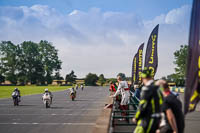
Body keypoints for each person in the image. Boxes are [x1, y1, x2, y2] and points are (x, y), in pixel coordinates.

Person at [133, 68, 163, 133]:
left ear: (143, 78)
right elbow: (162, 103)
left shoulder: (146, 89)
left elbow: (142, 105)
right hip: (158, 119)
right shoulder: (158, 88)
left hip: (148, 119)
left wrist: (136, 117)